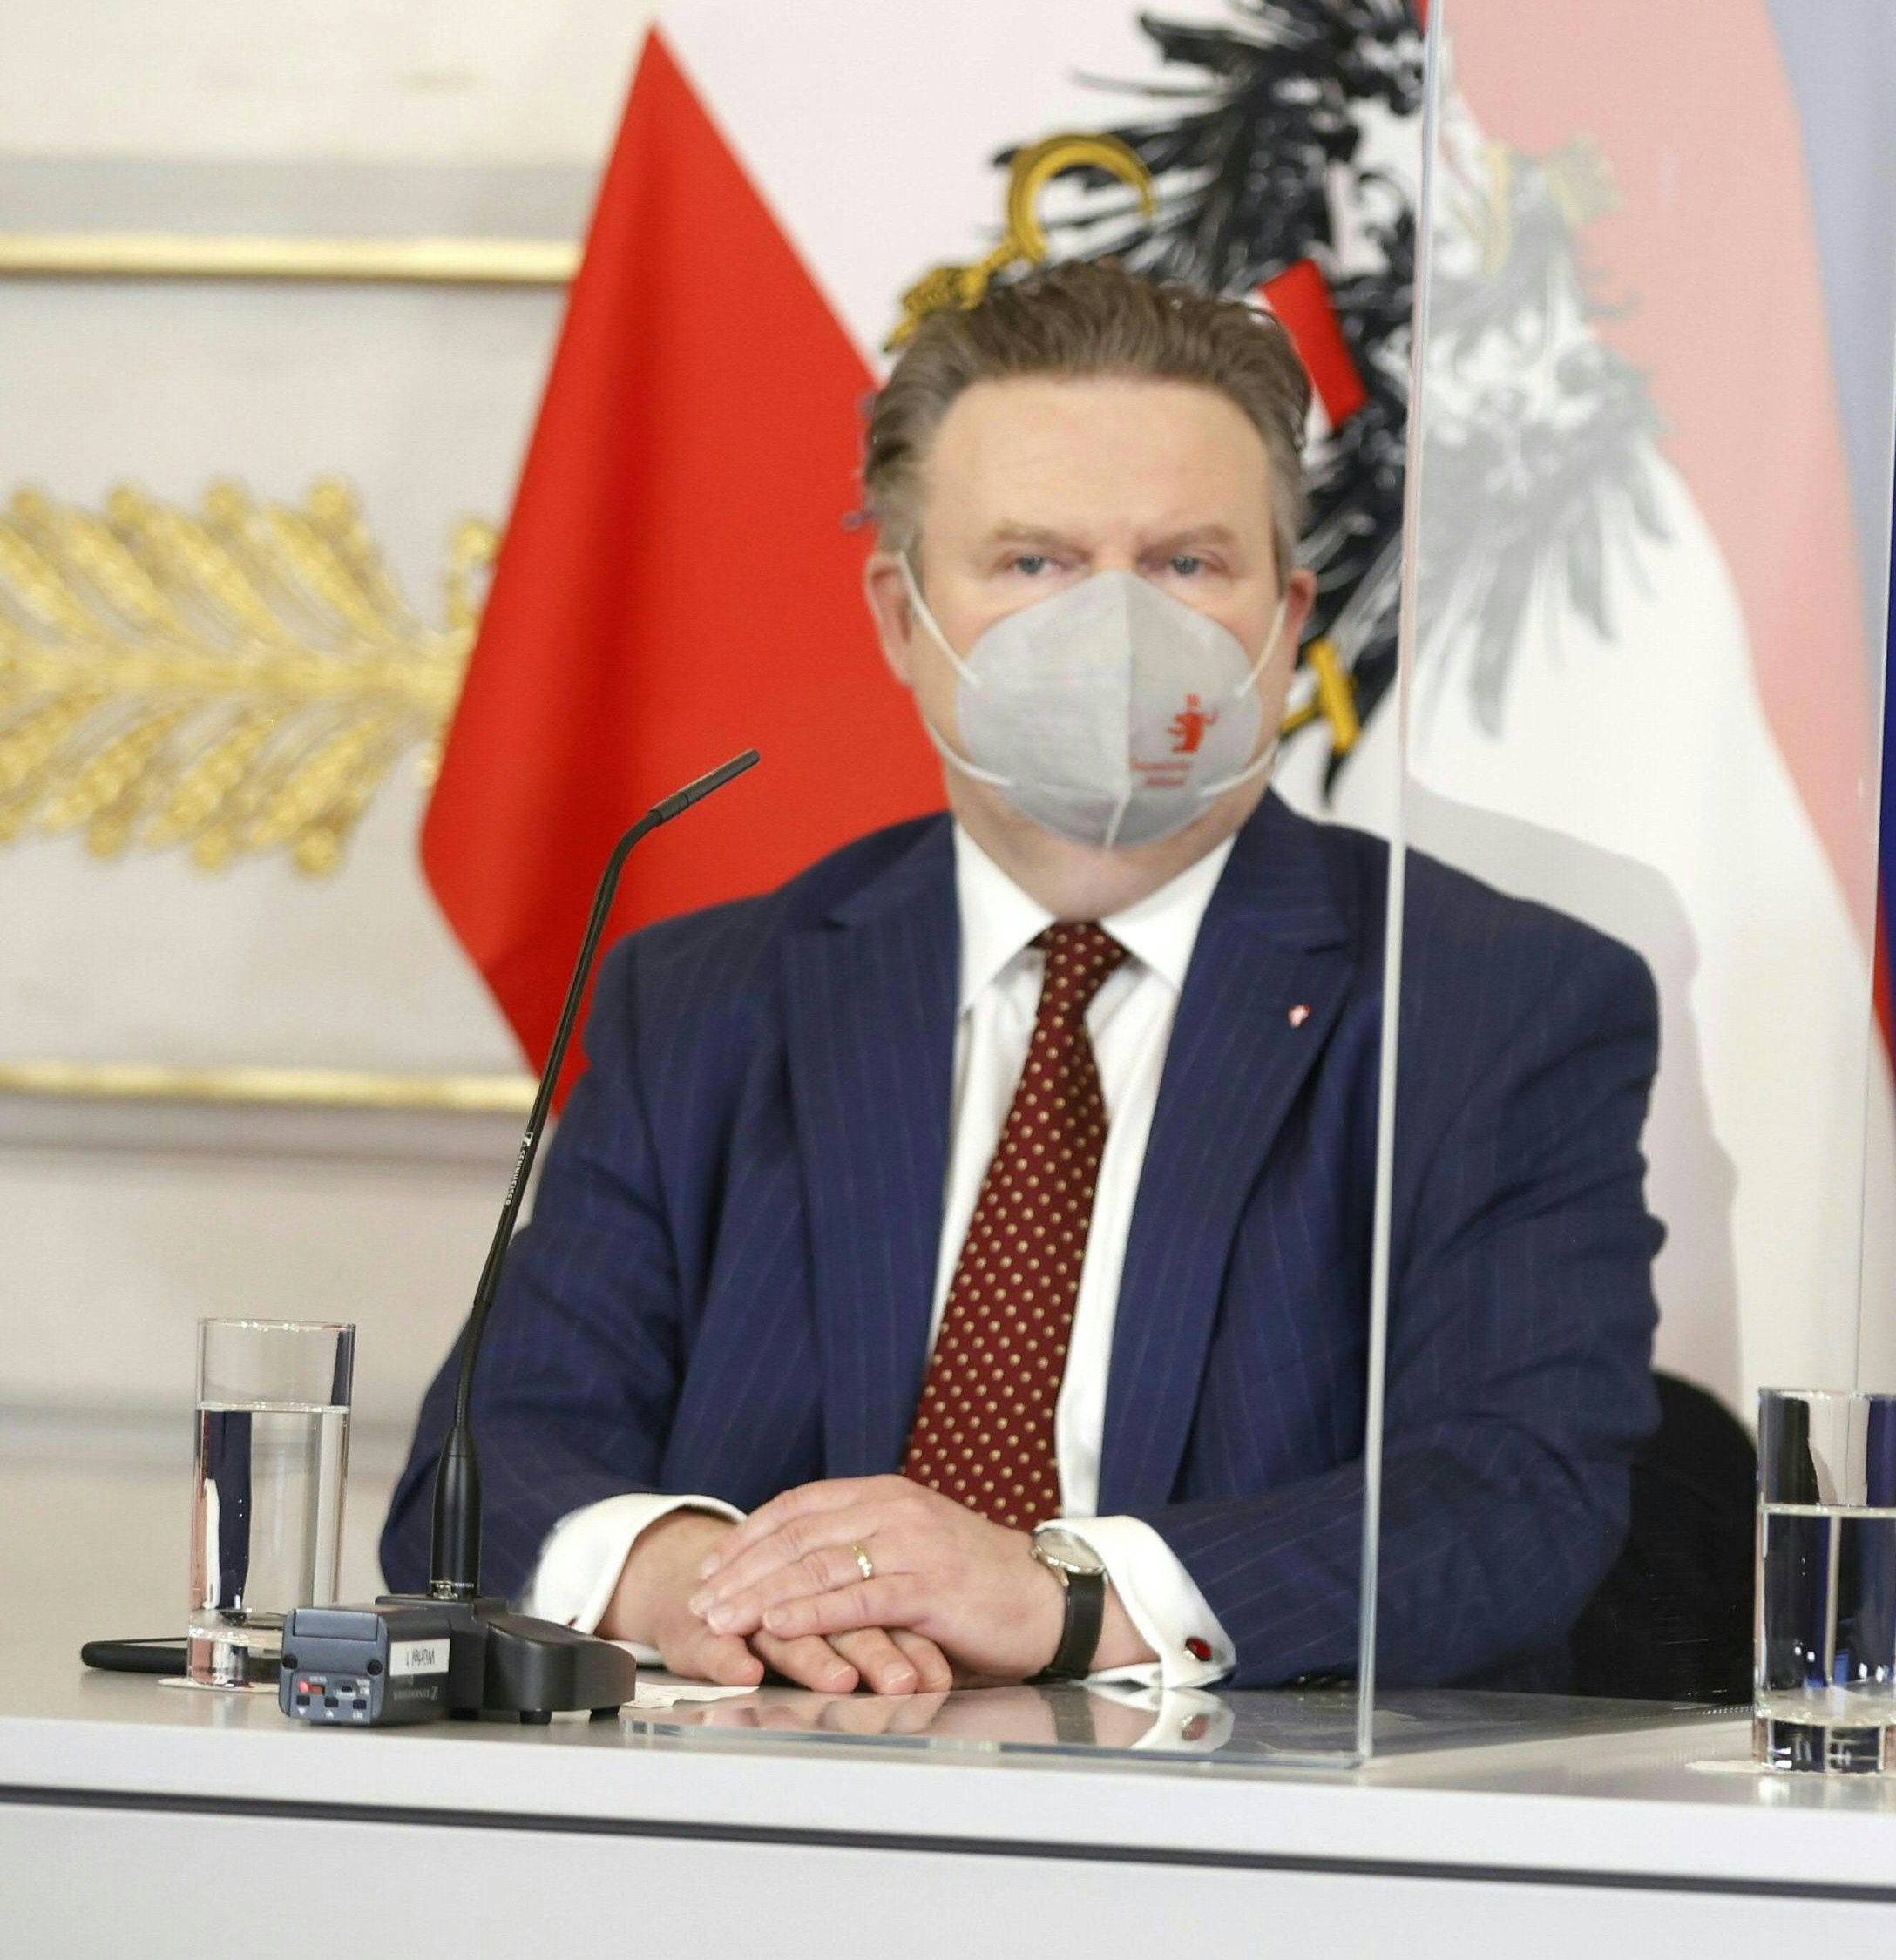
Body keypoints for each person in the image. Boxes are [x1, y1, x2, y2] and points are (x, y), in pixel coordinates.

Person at [383, 263, 1663, 1698]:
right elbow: (479, 1468)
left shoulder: (1499, 1005)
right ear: (899, 615)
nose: (1112, 629)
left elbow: (1515, 1496)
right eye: (1034, 563)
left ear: (1288, 615)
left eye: (1187, 563)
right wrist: (700, 1577)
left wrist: (1060, 1592)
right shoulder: (700, 998)